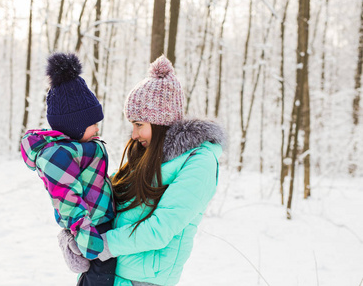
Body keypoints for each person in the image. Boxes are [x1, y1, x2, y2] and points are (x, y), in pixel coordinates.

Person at [61, 55, 226, 285]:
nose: (134, 135)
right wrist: (74, 234)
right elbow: (106, 201)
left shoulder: (200, 162)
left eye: (139, 125)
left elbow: (160, 229)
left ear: (160, 122)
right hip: (106, 272)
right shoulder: (146, 153)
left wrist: (100, 245)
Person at [20, 52, 116, 286]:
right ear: (73, 126)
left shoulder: (79, 148)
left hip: (100, 223)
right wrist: (88, 239)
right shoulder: (58, 156)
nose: (97, 129)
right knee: (98, 280)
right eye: (91, 124)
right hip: (92, 230)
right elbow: (68, 201)